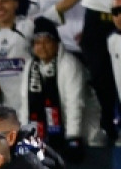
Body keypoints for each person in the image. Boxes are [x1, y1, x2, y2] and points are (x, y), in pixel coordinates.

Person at [19, 17, 91, 161]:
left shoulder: (69, 64)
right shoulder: (30, 66)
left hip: (79, 130)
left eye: (47, 41)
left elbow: (74, 103)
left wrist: (73, 137)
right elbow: (26, 104)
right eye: (38, 43)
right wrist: (24, 136)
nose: (42, 47)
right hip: (44, 133)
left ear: (57, 43)